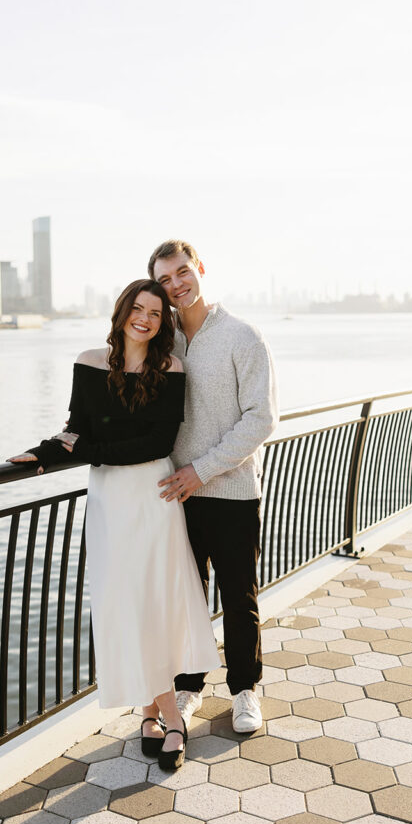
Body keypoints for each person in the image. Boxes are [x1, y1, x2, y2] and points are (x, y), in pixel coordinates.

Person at [7, 278, 220, 770]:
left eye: (155, 312)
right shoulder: (89, 362)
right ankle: (150, 710)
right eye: (138, 308)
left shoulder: (172, 368)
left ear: (163, 322)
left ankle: (170, 716)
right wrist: (43, 453)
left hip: (152, 494)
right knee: (125, 602)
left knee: (152, 602)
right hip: (108, 501)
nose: (145, 318)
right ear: (123, 310)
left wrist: (91, 454)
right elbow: (76, 426)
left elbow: (156, 442)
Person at [148, 240, 279, 733]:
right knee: (186, 598)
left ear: (199, 269)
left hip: (231, 493)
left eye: (183, 272)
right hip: (175, 497)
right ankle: (188, 688)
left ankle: (245, 691)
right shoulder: (163, 341)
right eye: (165, 279)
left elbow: (261, 419)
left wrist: (200, 470)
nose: (177, 284)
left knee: (239, 599)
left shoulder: (243, 336)